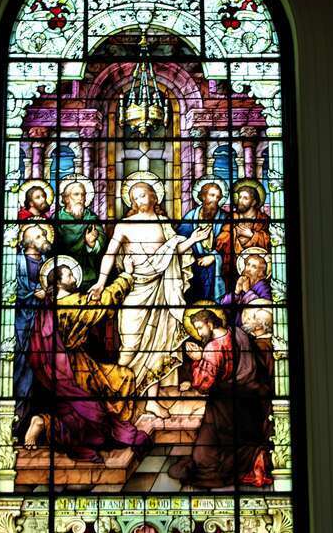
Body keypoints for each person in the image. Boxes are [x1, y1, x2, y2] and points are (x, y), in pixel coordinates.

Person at [88, 179, 211, 418]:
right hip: (135, 288)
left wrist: (193, 240)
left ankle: (151, 401)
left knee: (159, 347)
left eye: (143, 194)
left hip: (162, 289)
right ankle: (118, 395)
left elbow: (173, 251)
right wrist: (101, 282)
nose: (139, 199)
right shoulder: (125, 225)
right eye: (135, 197)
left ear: (154, 197)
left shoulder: (163, 223)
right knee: (130, 345)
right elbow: (110, 254)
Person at [23, 262, 151, 463]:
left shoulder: (49, 305)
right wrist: (127, 275)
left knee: (120, 381)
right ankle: (44, 423)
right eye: (69, 275)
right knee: (90, 412)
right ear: (58, 283)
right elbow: (103, 303)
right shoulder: (72, 304)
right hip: (74, 368)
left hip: (66, 366)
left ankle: (110, 428)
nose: (74, 278)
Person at [168, 308, 273, 488]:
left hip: (223, 404)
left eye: (200, 328)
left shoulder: (212, 348)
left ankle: (254, 457)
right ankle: (255, 456)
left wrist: (198, 359)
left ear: (210, 323)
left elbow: (203, 384)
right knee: (232, 441)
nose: (199, 333)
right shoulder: (238, 333)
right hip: (249, 398)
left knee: (205, 458)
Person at [13, 225, 52, 437]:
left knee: (33, 371)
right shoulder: (18, 261)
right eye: (39, 236)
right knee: (19, 367)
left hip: (40, 323)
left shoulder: (47, 261)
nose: (44, 237)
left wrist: (48, 292)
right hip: (21, 322)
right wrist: (33, 293)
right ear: (28, 243)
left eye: (44, 234)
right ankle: (12, 423)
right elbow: (13, 289)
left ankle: (24, 421)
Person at [177, 181, 229, 302]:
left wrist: (214, 257)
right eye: (212, 195)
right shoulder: (190, 217)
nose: (215, 200)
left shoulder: (225, 218)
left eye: (218, 197)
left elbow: (229, 247)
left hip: (217, 267)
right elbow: (179, 243)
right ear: (203, 196)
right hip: (194, 265)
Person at [216, 181, 270, 288]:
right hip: (231, 265)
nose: (240, 201)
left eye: (245, 198)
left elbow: (271, 241)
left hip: (256, 268)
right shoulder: (233, 217)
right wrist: (234, 233)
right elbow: (221, 240)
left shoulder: (263, 219)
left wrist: (252, 235)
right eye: (240, 197)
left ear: (254, 202)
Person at [57, 181, 106, 290]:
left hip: (88, 275)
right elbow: (53, 248)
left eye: (83, 195)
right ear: (66, 198)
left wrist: (91, 245)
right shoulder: (56, 219)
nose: (80, 198)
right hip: (63, 277)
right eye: (76, 194)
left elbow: (102, 242)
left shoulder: (91, 218)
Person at [221, 251, 272, 316]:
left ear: (260, 272)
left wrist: (248, 291)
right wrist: (236, 292)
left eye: (254, 267)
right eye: (248, 264)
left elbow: (264, 310)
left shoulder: (263, 287)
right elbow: (224, 305)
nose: (248, 269)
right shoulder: (244, 282)